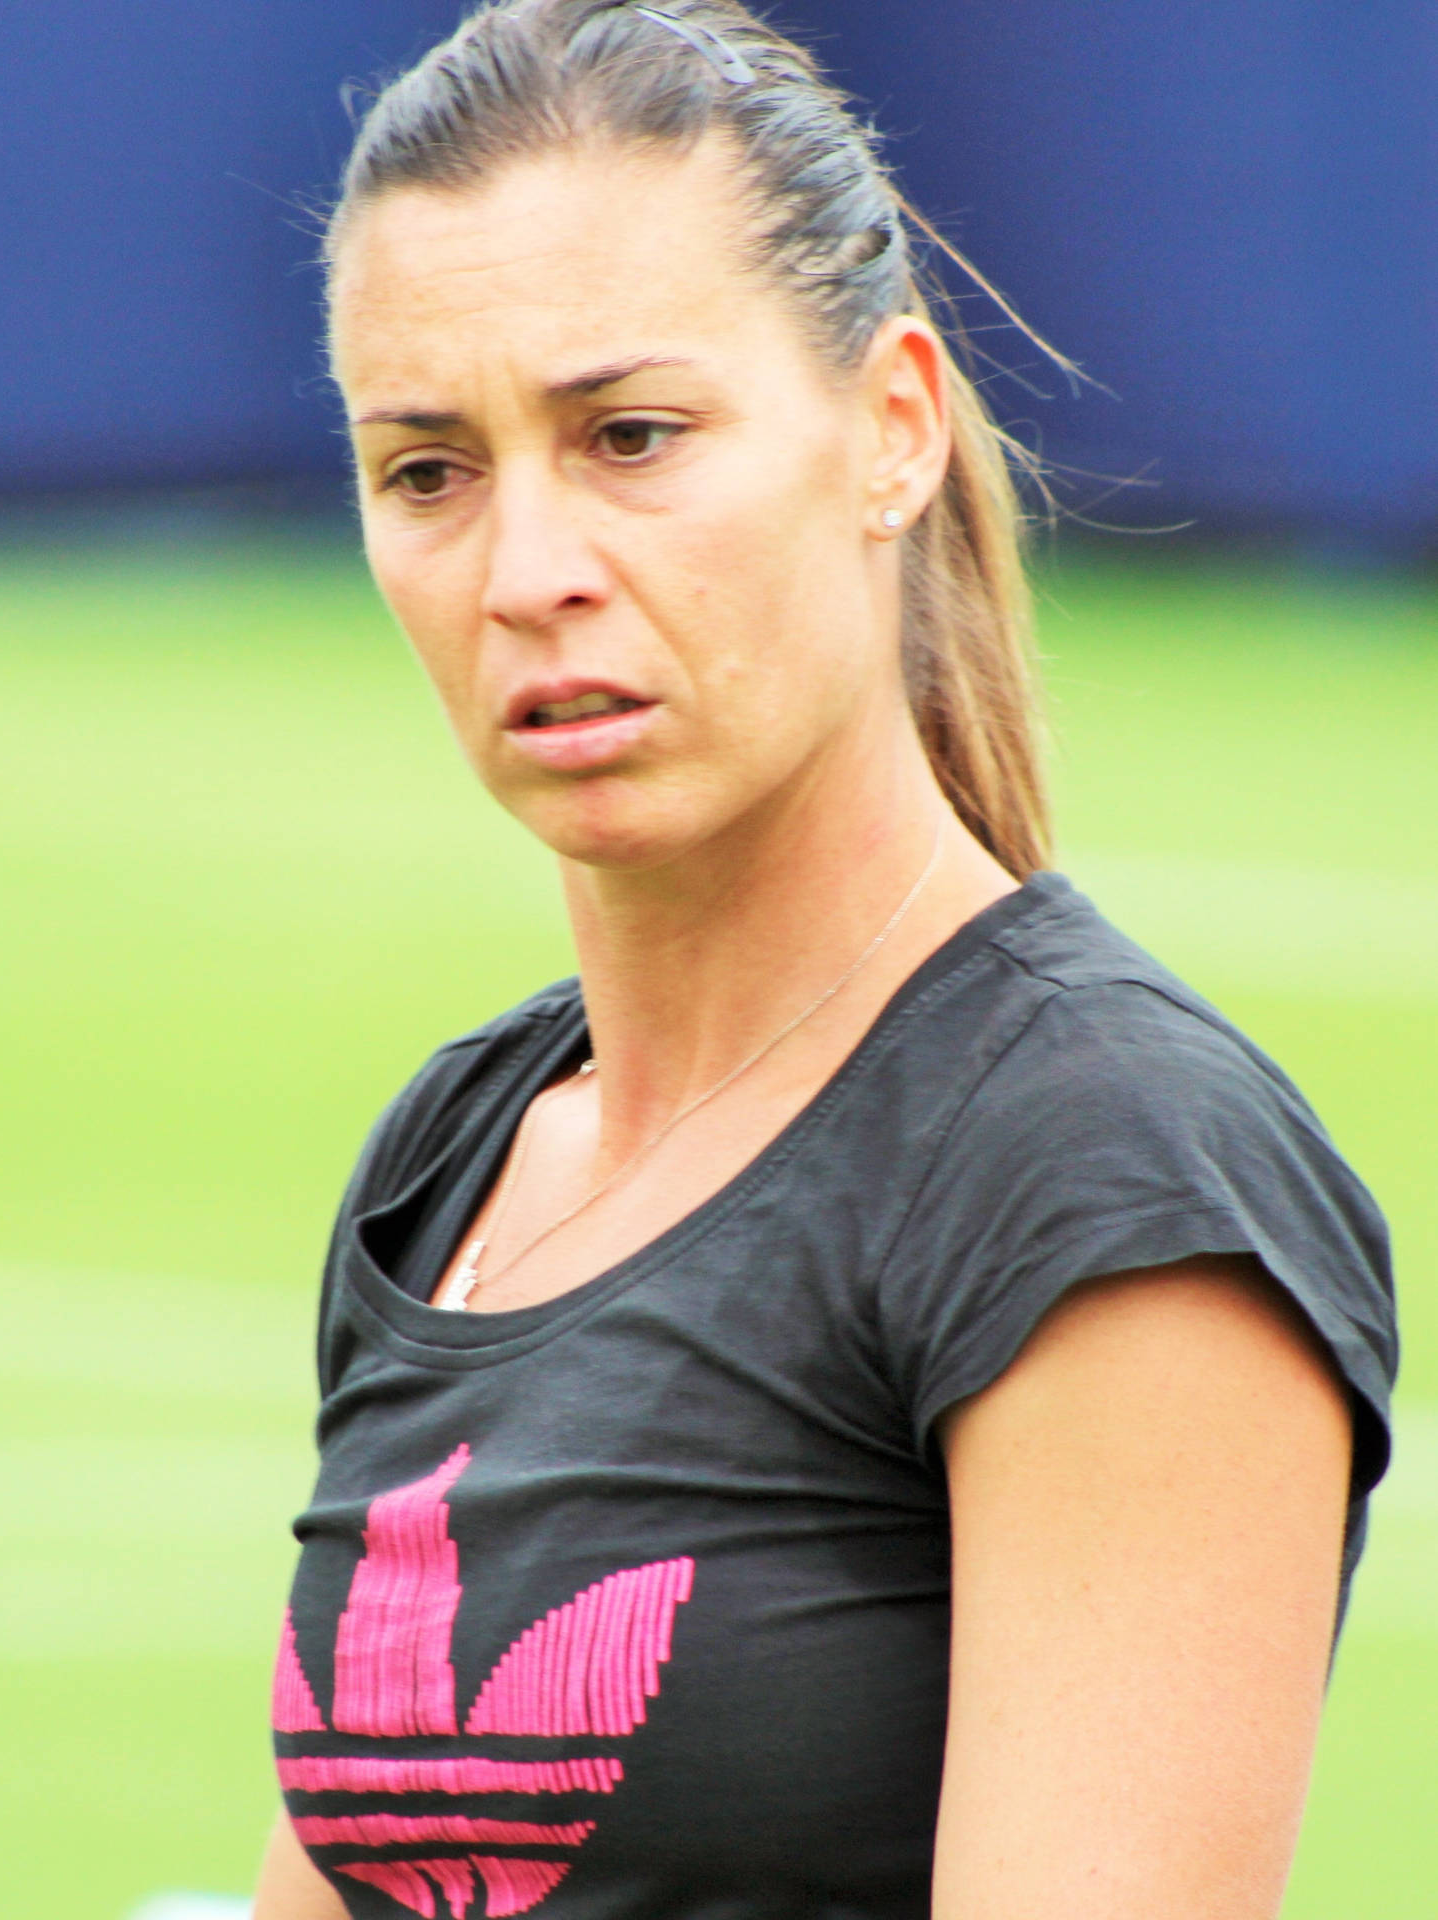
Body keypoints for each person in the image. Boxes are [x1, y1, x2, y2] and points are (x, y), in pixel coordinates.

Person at [254, 4, 1397, 1916]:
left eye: (630, 436)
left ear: (890, 431)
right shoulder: (463, 1152)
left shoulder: (1100, 1168)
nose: (526, 566)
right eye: (429, 471)